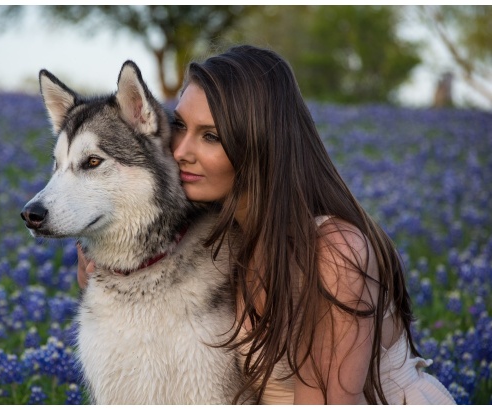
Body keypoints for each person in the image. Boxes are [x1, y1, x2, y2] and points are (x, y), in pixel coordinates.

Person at [76, 45, 455, 405]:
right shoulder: (222, 235)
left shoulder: (335, 252)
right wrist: (113, 273)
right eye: (179, 125)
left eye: (210, 136)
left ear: (257, 144)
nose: (178, 151)